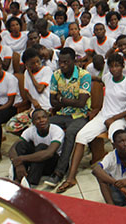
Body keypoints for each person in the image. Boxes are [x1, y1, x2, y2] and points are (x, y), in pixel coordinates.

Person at [57, 53, 126, 193]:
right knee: (81, 136)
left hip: (119, 118)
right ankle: (71, 177)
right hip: (103, 116)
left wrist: (115, 118)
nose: (114, 69)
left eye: (117, 66)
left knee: (116, 139)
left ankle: (120, 176)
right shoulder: (107, 78)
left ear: (123, 66)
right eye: (111, 66)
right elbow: (97, 79)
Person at [43, 47, 92, 188]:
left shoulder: (84, 75)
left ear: (74, 61)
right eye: (60, 62)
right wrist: (66, 101)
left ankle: (59, 172)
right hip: (62, 114)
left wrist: (61, 99)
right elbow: (52, 102)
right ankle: (44, 165)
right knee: (43, 125)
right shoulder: (56, 75)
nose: (62, 65)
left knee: (70, 133)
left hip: (80, 115)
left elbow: (81, 103)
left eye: (66, 62)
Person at [9, 109, 64, 187]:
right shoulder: (29, 131)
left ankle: (30, 182)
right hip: (38, 162)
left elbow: (49, 153)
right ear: (33, 122)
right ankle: (18, 178)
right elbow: (12, 149)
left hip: (52, 164)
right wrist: (18, 164)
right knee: (21, 145)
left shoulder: (56, 130)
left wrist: (21, 158)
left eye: (44, 117)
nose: (42, 120)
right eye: (38, 119)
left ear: (48, 119)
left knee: (41, 147)